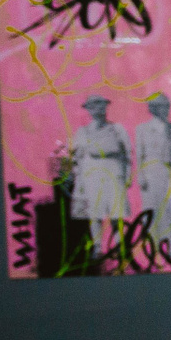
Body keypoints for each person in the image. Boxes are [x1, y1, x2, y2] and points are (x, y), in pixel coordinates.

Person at [132, 92, 171, 256]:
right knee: (155, 209)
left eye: (167, 106)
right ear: (153, 108)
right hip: (152, 173)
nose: (166, 109)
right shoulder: (142, 129)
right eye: (162, 106)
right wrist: (140, 176)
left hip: (170, 171)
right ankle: (156, 244)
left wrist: (169, 133)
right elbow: (139, 154)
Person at [69, 95, 130, 258]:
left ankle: (119, 246)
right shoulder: (82, 132)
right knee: (95, 214)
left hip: (114, 174)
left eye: (101, 105)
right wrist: (79, 181)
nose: (98, 109)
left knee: (116, 214)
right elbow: (77, 159)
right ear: (88, 110)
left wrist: (127, 175)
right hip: (92, 176)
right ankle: (97, 247)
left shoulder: (117, 129)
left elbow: (128, 154)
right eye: (93, 106)